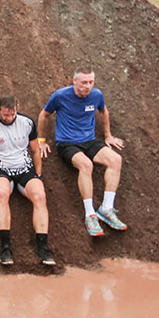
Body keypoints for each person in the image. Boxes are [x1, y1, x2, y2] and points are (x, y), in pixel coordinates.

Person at [37, 67, 127, 236]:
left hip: (89, 141)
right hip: (67, 143)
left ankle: (106, 208)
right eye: (84, 82)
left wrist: (108, 135)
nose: (87, 86)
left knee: (116, 160)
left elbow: (103, 111)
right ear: (75, 81)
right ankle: (90, 215)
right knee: (86, 165)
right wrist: (41, 141)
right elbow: (44, 115)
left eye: (91, 82)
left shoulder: (96, 95)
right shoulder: (60, 96)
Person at [0, 95, 55, 266]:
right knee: (3, 193)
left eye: (12, 114)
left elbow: (35, 151)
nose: (9, 118)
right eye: (6, 115)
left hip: (24, 168)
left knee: (40, 195)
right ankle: (6, 248)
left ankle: (43, 247)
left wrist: (38, 175)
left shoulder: (27, 123)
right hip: (0, 168)